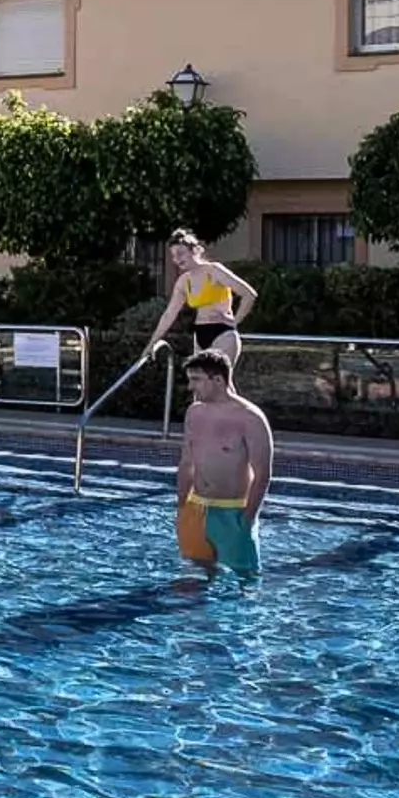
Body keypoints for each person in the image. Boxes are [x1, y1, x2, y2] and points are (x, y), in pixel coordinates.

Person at [174, 350, 274, 576]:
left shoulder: (250, 418)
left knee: (245, 579)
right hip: (195, 508)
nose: (190, 387)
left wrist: (248, 519)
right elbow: (187, 462)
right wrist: (182, 508)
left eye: (196, 380)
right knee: (194, 577)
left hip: (233, 512)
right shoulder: (194, 413)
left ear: (218, 380)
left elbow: (262, 474)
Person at [149, 230, 258, 366]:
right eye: (174, 256)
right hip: (200, 333)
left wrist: (235, 322)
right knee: (201, 378)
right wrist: (151, 344)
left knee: (219, 377)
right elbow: (168, 315)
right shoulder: (184, 281)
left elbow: (249, 294)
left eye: (180, 253)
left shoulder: (213, 271)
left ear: (195, 251)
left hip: (222, 332)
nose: (177, 259)